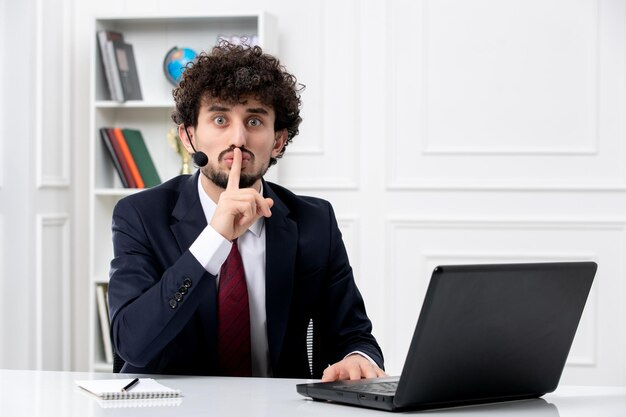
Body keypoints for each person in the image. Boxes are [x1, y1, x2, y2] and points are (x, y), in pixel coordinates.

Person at [107, 42, 385, 381]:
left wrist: (357, 358)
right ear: (189, 136)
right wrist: (215, 239)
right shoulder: (140, 215)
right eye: (220, 119)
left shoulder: (315, 222)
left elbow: (354, 335)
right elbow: (132, 343)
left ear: (278, 140)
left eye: (254, 120)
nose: (238, 138)